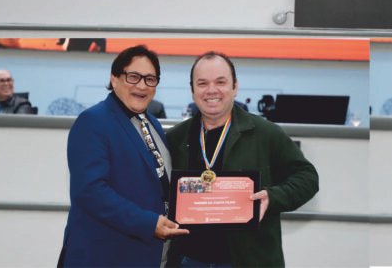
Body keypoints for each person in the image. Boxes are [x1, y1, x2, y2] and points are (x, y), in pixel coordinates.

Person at [166, 51, 319, 266]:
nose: (211, 90)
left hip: (248, 260)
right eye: (202, 83)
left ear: (235, 87)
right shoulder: (175, 138)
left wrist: (272, 197)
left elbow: (307, 177)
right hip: (188, 260)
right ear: (192, 91)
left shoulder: (265, 133)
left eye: (221, 82)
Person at [58, 45, 188, 267]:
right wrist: (148, 223)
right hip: (104, 255)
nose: (141, 85)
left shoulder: (152, 123)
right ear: (114, 78)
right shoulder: (93, 121)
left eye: (150, 79)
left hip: (147, 254)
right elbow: (90, 191)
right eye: (133, 77)